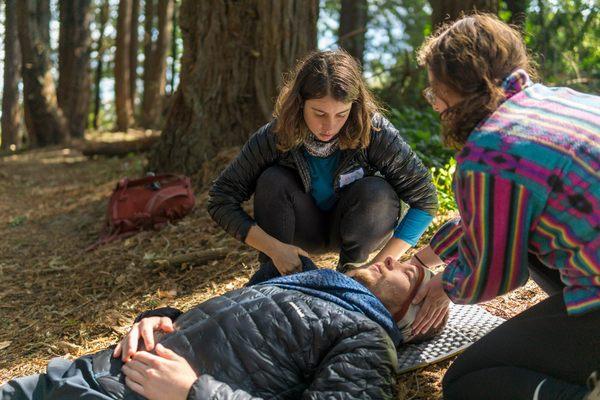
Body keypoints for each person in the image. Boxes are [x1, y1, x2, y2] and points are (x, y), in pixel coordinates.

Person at [405, 14, 600, 400]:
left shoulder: (487, 152)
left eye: (434, 92)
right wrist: (425, 258)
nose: (435, 104)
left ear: (455, 87)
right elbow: (499, 212)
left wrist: (446, 282)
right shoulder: (560, 100)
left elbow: (493, 278)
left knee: (468, 380)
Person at [1, 257, 445, 400]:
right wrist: (163, 317)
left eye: (407, 274)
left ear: (410, 313)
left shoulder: (368, 339)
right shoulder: (310, 281)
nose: (391, 259)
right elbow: (224, 320)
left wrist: (194, 392)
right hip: (82, 375)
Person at [208, 50, 438, 276]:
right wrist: (274, 249)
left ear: (354, 107)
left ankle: (352, 269)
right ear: (299, 104)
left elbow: (425, 200)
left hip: (356, 228)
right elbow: (221, 199)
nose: (329, 126)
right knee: (272, 179)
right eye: (319, 113)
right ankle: (275, 272)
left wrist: (376, 268)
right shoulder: (274, 136)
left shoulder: (374, 131)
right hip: (299, 230)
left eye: (341, 114)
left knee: (377, 191)